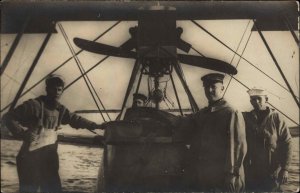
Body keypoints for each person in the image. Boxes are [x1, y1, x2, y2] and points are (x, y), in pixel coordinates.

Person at [3, 74, 103, 193]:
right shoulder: (33, 105)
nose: (56, 92)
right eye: (53, 88)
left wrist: (96, 125)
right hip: (30, 158)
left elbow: (75, 119)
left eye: (59, 89)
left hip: (49, 158)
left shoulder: (60, 109)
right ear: (47, 89)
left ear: (62, 91)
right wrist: (22, 133)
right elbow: (8, 117)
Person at [184, 73, 247, 192]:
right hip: (206, 175)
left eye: (213, 87)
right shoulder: (203, 114)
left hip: (225, 178)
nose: (209, 90)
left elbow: (237, 147)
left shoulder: (231, 113)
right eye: (206, 87)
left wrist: (231, 175)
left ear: (222, 89)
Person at [243, 88, 292, 192]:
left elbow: (287, 143)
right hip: (252, 171)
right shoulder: (246, 118)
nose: (255, 101)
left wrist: (285, 169)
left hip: (272, 171)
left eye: (259, 99)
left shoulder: (277, 118)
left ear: (266, 99)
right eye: (252, 99)